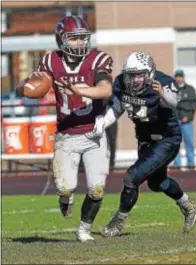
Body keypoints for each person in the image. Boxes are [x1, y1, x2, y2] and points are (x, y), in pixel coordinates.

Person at [16, 15, 113, 242]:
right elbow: (30, 85)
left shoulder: (97, 59)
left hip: (94, 133)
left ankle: (84, 229)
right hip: (66, 136)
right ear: (61, 40)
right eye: (74, 38)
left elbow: (105, 89)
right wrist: (26, 86)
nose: (80, 43)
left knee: (96, 189)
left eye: (83, 38)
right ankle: (65, 197)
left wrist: (80, 90)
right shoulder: (51, 61)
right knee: (65, 187)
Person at [87, 51, 196, 237]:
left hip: (167, 138)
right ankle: (189, 205)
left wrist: (163, 94)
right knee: (157, 183)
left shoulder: (163, 82)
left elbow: (173, 103)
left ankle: (117, 221)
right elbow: (117, 108)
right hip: (145, 138)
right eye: (131, 75)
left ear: (149, 73)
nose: (134, 80)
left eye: (139, 75)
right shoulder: (120, 83)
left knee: (132, 177)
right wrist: (102, 123)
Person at [173, 70, 196, 168]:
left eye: (180, 76)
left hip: (187, 122)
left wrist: (188, 117)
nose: (179, 78)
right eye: (177, 76)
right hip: (175, 121)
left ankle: (191, 163)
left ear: (183, 77)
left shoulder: (190, 89)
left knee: (189, 142)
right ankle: (177, 164)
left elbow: (194, 104)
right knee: (175, 144)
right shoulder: (171, 89)